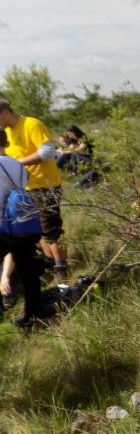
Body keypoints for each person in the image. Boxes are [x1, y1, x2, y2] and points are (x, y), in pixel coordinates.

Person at [0, 100, 68, 283]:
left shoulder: (32, 124)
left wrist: (16, 164)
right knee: (35, 231)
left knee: (50, 229)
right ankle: (51, 263)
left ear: (5, 112)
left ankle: (62, 268)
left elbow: (48, 152)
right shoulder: (6, 132)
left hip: (45, 185)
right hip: (23, 189)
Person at [0, 129, 45, 328]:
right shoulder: (18, 165)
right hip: (22, 224)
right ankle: (33, 317)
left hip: (2, 226)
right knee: (29, 273)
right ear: (6, 142)